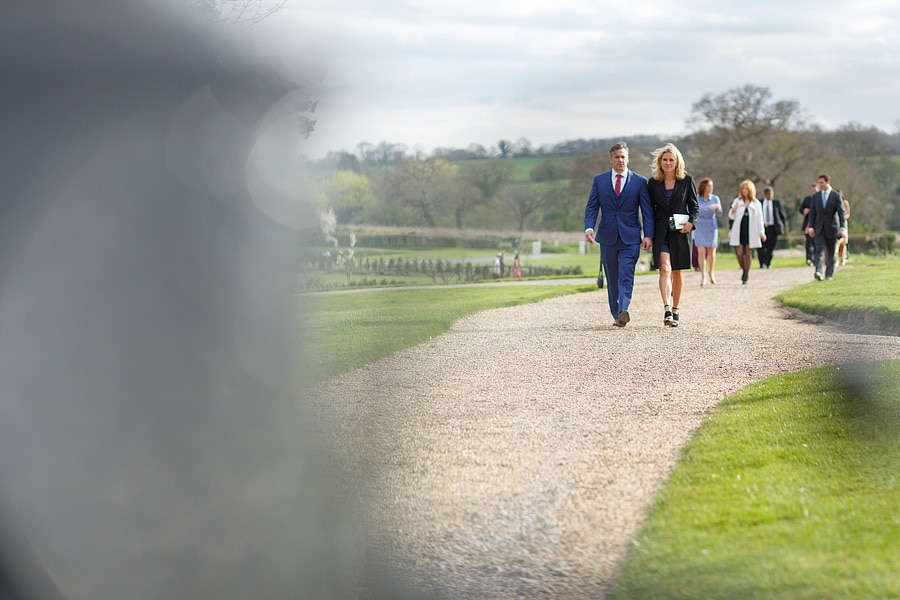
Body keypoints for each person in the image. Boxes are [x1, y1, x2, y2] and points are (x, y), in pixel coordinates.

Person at [584, 141, 654, 328]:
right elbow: (592, 206)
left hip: (630, 237)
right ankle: (616, 314)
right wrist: (589, 228)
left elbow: (646, 211)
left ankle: (623, 309)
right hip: (607, 236)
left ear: (628, 158)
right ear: (611, 159)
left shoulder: (640, 182)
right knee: (612, 277)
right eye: (617, 157)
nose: (620, 160)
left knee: (626, 274)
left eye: (623, 156)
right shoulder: (599, 180)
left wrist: (648, 235)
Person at [647, 143, 698, 327]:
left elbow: (694, 207)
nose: (667, 163)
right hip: (661, 233)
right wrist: (648, 234)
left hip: (680, 232)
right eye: (664, 160)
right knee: (665, 268)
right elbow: (648, 210)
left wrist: (691, 223)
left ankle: (676, 309)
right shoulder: (653, 183)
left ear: (677, 162)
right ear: (660, 162)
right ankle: (667, 309)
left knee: (677, 272)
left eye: (671, 160)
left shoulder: (686, 180)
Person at [807, 173, 846, 280]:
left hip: (832, 228)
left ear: (828, 182)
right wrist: (811, 227)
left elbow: (841, 212)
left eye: (822, 183)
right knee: (819, 250)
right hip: (819, 228)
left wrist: (842, 227)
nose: (820, 185)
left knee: (831, 251)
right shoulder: (815, 196)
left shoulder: (835, 196)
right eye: (819, 183)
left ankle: (829, 274)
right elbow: (812, 213)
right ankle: (818, 271)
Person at [728, 180, 766, 285]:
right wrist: (733, 210)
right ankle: (743, 268)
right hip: (739, 230)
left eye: (746, 189)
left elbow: (760, 219)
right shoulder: (737, 201)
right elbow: (731, 216)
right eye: (743, 189)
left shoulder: (756, 203)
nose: (744, 191)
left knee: (748, 252)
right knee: (739, 252)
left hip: (751, 230)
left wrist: (761, 232)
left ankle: (745, 274)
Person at [694, 177, 722, 286]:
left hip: (711, 226)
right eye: (709, 186)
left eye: (712, 186)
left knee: (711, 251)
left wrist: (717, 208)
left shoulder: (715, 198)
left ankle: (711, 272)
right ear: (704, 187)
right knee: (701, 252)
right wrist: (709, 209)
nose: (711, 188)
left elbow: (720, 213)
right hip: (700, 226)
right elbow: (695, 211)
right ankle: (703, 275)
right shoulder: (697, 199)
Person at [758, 185, 787, 268]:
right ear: (765, 194)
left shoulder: (776, 203)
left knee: (771, 246)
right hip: (762, 227)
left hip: (773, 228)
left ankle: (768, 262)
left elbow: (782, 215)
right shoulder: (760, 202)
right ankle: (761, 263)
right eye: (768, 194)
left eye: (771, 194)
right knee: (761, 247)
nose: (770, 196)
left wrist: (782, 226)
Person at [799, 183, 818, 266]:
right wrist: (805, 211)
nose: (813, 192)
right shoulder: (807, 199)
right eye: (812, 191)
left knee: (816, 243)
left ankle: (816, 259)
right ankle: (809, 259)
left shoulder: (820, 199)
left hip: (817, 224)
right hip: (808, 223)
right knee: (808, 243)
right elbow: (800, 209)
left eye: (815, 190)